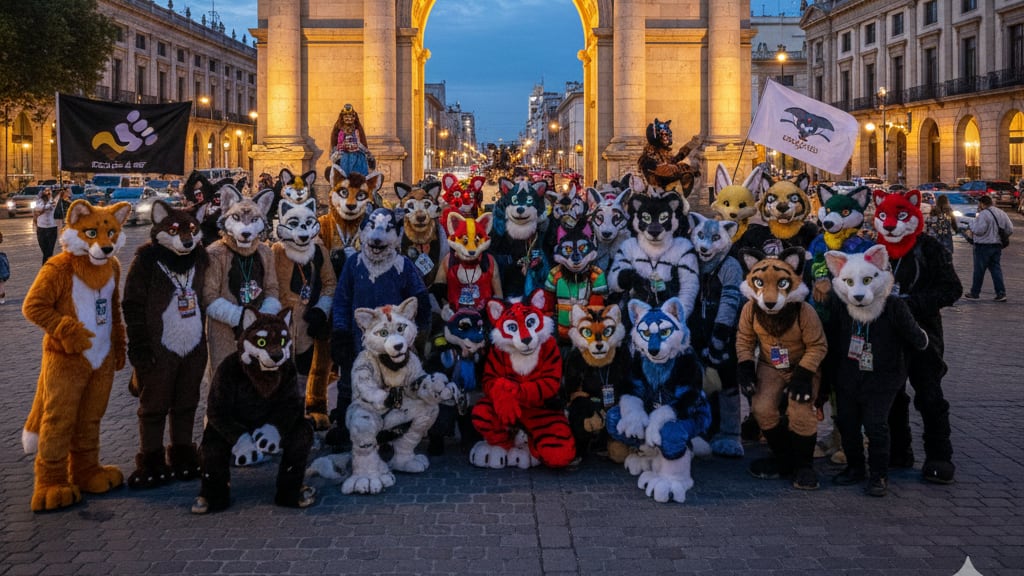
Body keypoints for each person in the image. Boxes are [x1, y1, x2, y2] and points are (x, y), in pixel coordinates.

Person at [964, 195, 1013, 302]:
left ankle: (975, 293)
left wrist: (971, 224)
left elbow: (979, 230)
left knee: (979, 270)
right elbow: (1010, 229)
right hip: (997, 246)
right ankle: (1001, 293)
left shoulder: (983, 214)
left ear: (982, 204)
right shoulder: (1001, 213)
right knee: (996, 270)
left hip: (983, 246)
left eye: (979, 204)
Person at [329, 103, 373, 176]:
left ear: (354, 117)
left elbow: (363, 145)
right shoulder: (338, 131)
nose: (349, 119)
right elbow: (334, 147)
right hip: (344, 159)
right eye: (346, 116)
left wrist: (367, 155)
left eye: (351, 116)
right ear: (342, 117)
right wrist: (340, 148)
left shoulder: (357, 130)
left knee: (358, 181)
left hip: (358, 160)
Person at [32, 186, 71, 264]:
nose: (48, 192)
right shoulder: (38, 201)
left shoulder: (53, 200)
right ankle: (48, 267)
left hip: (51, 228)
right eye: (46, 191)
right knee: (44, 250)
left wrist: (62, 190)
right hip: (41, 229)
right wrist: (49, 202)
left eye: (49, 191)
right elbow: (39, 208)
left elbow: (63, 197)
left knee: (49, 251)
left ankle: (46, 268)